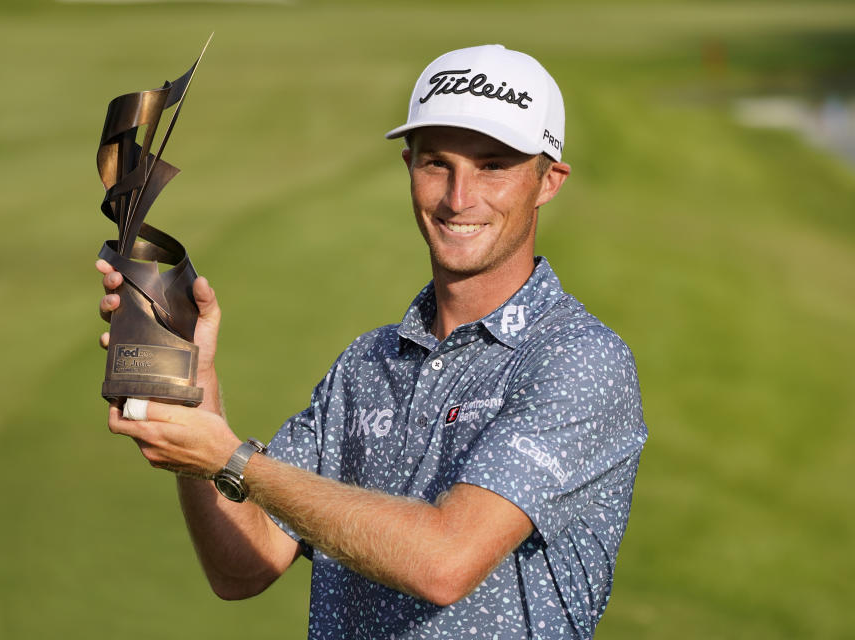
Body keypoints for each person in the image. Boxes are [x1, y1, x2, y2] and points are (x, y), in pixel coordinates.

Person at [97, 44, 647, 639]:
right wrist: (193, 399)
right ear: (408, 166)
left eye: (493, 166)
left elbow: (445, 561)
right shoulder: (366, 363)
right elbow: (241, 567)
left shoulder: (580, 359)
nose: (459, 198)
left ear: (548, 181)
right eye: (437, 163)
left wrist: (232, 460)